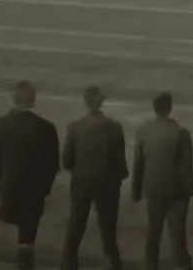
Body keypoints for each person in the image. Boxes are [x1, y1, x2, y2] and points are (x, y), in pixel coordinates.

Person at [0, 80, 60, 270]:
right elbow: (52, 163)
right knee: (30, 220)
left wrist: (0, 181)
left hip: (9, 181)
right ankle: (25, 251)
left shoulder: (2, 123)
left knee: (15, 214)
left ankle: (24, 250)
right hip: (34, 185)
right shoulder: (46, 127)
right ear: (33, 100)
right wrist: (46, 187)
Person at [60, 85, 128, 270]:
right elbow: (119, 161)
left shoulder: (75, 127)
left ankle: (68, 261)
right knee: (108, 226)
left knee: (76, 221)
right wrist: (120, 177)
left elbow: (67, 161)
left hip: (81, 180)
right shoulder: (114, 127)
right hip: (107, 182)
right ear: (101, 102)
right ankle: (114, 261)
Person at [132, 92, 193, 270]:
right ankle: (182, 265)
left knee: (153, 232)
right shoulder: (181, 133)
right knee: (178, 234)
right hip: (177, 191)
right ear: (170, 108)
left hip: (153, 187)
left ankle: (151, 266)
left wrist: (136, 190)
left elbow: (139, 164)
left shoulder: (144, 130)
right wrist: (191, 190)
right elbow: (186, 167)